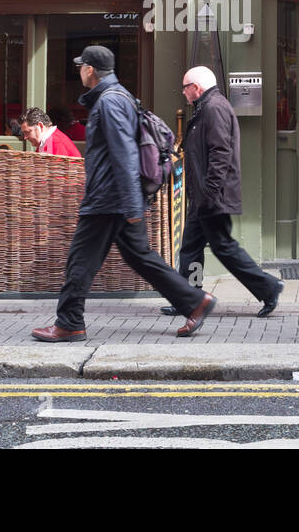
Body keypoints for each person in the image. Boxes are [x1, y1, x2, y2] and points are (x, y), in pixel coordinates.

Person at [32, 45, 215, 342]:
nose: (79, 70)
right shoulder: (117, 97)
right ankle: (195, 302)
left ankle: (69, 322)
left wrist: (132, 208)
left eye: (81, 66)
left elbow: (126, 155)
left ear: (90, 69)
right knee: (141, 258)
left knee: (80, 260)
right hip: (115, 199)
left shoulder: (109, 102)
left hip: (108, 201)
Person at [160, 66, 284, 319]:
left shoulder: (214, 108)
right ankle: (190, 298)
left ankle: (268, 288)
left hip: (211, 197)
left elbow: (220, 153)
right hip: (204, 196)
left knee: (224, 247)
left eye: (185, 87)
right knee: (191, 248)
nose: (183, 92)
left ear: (197, 87)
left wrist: (209, 192)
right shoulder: (206, 107)